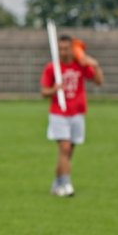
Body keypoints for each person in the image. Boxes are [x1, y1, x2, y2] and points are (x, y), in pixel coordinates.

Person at [40, 34, 104, 197]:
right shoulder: (52, 68)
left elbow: (98, 82)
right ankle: (67, 185)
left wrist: (95, 65)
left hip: (77, 113)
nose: (63, 52)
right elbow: (43, 92)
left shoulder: (80, 65)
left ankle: (56, 184)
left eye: (66, 48)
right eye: (60, 49)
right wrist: (54, 89)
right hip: (59, 113)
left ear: (72, 49)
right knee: (64, 148)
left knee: (67, 154)